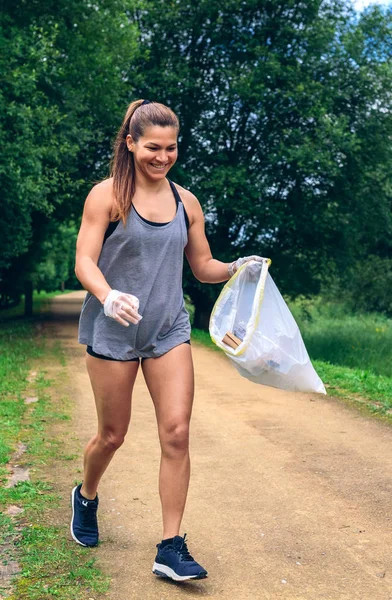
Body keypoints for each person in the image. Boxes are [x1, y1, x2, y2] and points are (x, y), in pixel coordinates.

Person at [71, 98, 264, 582]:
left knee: (176, 432)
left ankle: (170, 545)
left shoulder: (186, 202)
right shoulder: (106, 196)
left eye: (171, 147)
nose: (162, 157)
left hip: (167, 329)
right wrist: (107, 294)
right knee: (112, 436)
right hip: (113, 328)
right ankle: (87, 495)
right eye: (152, 147)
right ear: (131, 143)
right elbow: (84, 262)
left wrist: (239, 269)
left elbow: (202, 266)